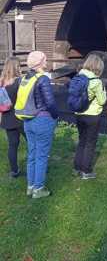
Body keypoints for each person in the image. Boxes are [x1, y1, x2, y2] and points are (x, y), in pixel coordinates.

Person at [16, 51, 58, 199]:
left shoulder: (25, 77)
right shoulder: (43, 79)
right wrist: (56, 116)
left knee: (32, 154)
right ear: (41, 62)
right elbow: (50, 102)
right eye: (45, 59)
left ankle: (30, 186)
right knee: (41, 155)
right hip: (42, 120)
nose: (46, 61)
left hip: (28, 120)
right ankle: (39, 189)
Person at [73, 54, 107, 180]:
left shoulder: (78, 77)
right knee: (90, 143)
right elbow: (102, 101)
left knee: (82, 140)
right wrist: (104, 91)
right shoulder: (96, 82)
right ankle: (86, 171)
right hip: (92, 116)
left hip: (79, 114)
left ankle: (76, 167)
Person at [0, 57, 25, 177]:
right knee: (33, 143)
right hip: (20, 117)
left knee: (12, 145)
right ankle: (37, 166)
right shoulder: (19, 81)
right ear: (17, 67)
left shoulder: (1, 82)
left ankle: (14, 171)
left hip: (6, 118)